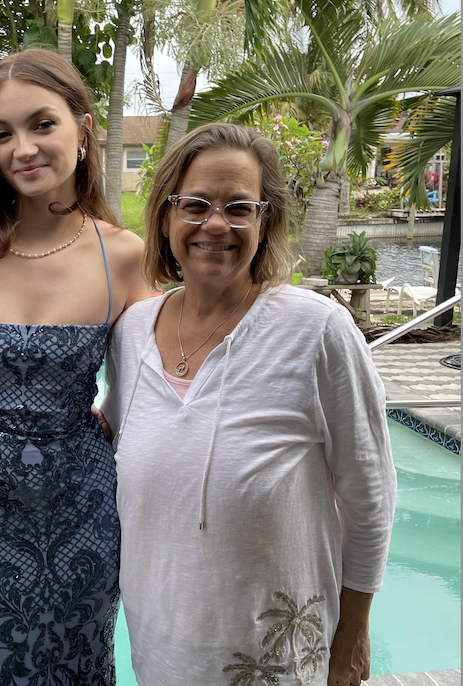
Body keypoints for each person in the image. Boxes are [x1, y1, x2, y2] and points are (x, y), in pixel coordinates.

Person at [101, 123, 397, 686]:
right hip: (160, 650)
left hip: (276, 658)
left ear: (266, 222)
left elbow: (370, 491)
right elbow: (119, 436)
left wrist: (354, 629)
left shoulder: (318, 332)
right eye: (195, 205)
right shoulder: (131, 331)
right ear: (165, 217)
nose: (216, 224)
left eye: (239, 207)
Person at [0, 48, 148, 685]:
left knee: (85, 666)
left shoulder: (123, 255)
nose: (22, 149)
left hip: (84, 507)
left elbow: (153, 383)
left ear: (83, 130)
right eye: (1, 134)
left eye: (42, 124)